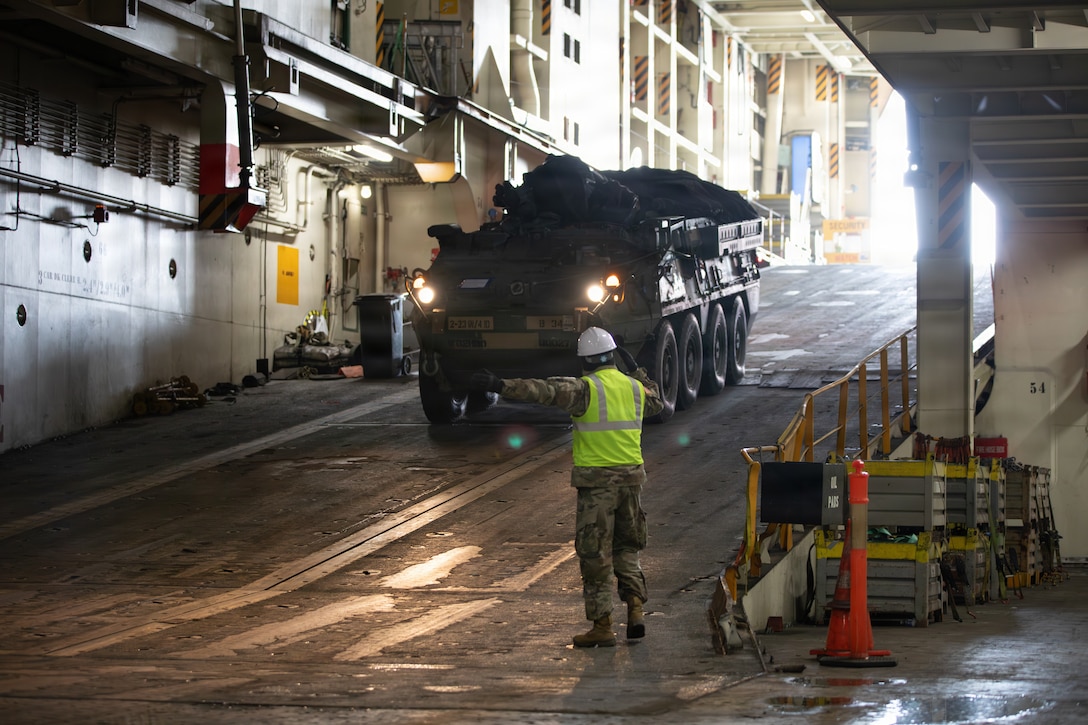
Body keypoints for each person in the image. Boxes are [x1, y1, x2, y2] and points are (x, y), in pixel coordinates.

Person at [470, 327, 663, 647]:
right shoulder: (634, 389)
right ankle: (636, 611)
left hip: (597, 486)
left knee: (595, 555)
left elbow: (542, 390)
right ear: (613, 356)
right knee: (627, 549)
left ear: (584, 362)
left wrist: (499, 385)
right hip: (631, 482)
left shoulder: (585, 390)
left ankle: (602, 627)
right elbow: (655, 395)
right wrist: (635, 369)